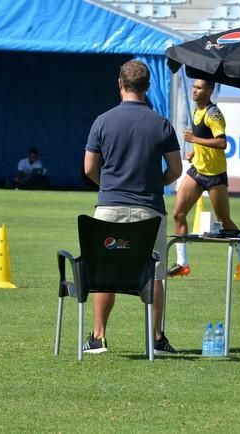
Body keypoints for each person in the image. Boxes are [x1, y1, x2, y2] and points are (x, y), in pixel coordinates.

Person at [83, 60, 183, 354]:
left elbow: (89, 167)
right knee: (154, 274)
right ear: (148, 87)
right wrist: (153, 184)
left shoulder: (102, 120)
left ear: (120, 84)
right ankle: (156, 338)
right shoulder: (161, 123)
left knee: (105, 273)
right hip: (149, 209)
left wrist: (109, 186)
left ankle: (98, 337)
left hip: (110, 207)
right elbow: (176, 170)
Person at [168, 79, 240, 280]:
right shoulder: (196, 111)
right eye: (194, 87)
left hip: (215, 176)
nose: (195, 91)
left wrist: (195, 140)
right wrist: (194, 153)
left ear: (210, 90)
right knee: (178, 214)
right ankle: (182, 263)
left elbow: (222, 143)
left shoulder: (214, 114)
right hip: (198, 171)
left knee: (224, 222)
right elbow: (203, 143)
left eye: (199, 88)